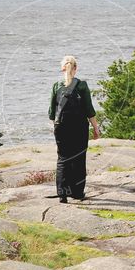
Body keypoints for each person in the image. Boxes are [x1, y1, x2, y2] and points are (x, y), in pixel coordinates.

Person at [48, 55, 101, 203]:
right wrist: (96, 128)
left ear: (62, 68)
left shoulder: (56, 86)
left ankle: (62, 194)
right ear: (75, 69)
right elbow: (89, 110)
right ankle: (77, 193)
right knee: (78, 159)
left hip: (61, 127)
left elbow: (51, 112)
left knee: (62, 159)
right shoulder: (82, 85)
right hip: (79, 127)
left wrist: (57, 127)